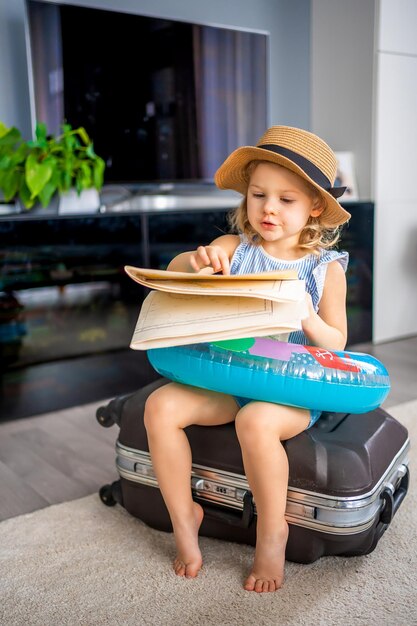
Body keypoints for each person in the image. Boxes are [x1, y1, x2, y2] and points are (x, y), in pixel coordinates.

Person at [143, 125, 351, 593]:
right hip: (229, 377)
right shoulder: (234, 250)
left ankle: (272, 533)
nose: (269, 208)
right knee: (160, 407)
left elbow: (336, 342)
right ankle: (184, 518)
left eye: (286, 199)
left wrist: (307, 316)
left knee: (256, 422)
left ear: (315, 206)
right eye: (259, 194)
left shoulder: (325, 267)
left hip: (289, 386)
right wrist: (194, 263)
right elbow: (180, 270)